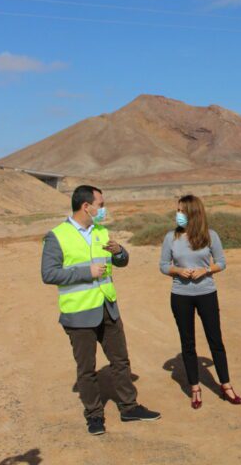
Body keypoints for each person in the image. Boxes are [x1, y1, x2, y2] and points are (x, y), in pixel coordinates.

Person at [41, 185, 160, 436]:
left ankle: (129, 407)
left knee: (120, 361)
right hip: (79, 313)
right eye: (101, 204)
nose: (103, 208)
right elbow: (49, 273)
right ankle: (94, 415)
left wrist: (120, 252)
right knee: (87, 369)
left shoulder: (101, 231)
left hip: (108, 308)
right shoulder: (57, 236)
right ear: (87, 206)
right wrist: (86, 272)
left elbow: (122, 261)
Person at [159, 195, 241, 410]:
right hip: (180, 295)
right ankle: (195, 387)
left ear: (192, 212)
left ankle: (226, 385)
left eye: (181, 211)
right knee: (188, 343)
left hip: (206, 293)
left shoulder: (210, 236)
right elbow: (163, 265)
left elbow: (222, 263)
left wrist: (205, 270)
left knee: (216, 340)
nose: (177, 215)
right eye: (176, 211)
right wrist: (178, 270)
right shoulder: (171, 237)